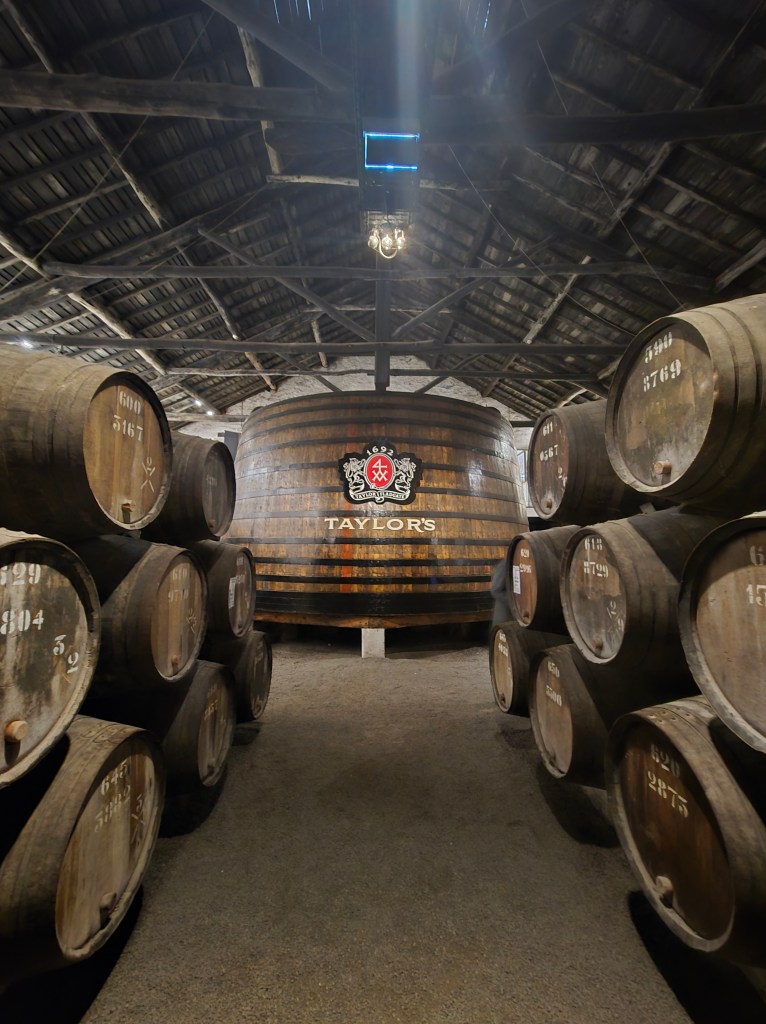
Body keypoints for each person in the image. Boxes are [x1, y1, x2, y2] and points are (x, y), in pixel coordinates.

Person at [490, 557, 512, 629]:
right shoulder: (505, 564)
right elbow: (495, 590)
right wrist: (514, 603)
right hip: (504, 613)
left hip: (514, 615)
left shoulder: (518, 562)